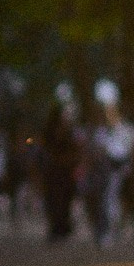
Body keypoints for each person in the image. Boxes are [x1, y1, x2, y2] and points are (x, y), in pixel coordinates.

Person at [82, 83, 134, 243]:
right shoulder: (99, 131)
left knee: (112, 199)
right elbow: (93, 151)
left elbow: (132, 149)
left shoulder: (126, 130)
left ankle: (112, 230)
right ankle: (102, 230)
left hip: (119, 168)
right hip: (101, 169)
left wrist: (130, 166)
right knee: (99, 199)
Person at [39, 92, 83, 239]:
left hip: (64, 171)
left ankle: (62, 226)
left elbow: (75, 150)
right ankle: (57, 226)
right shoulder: (50, 132)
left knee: (63, 200)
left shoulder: (68, 132)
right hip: (54, 171)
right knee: (54, 200)